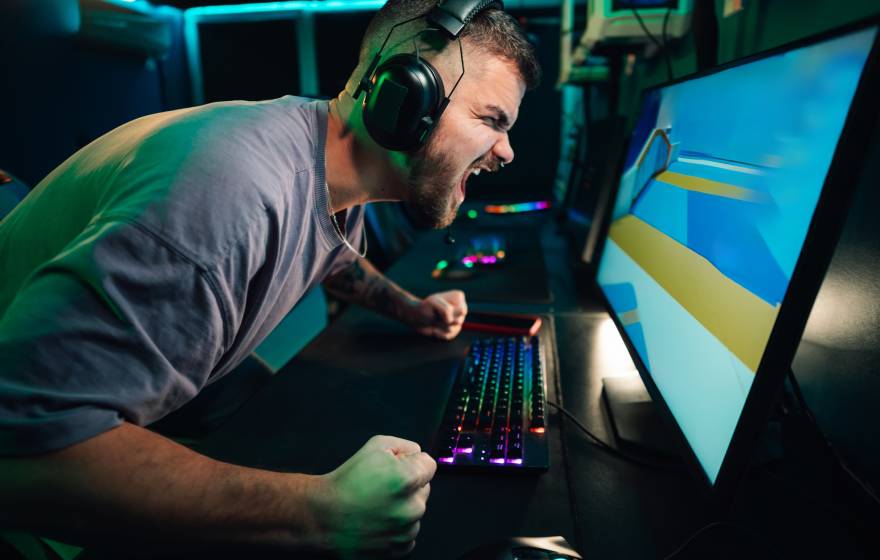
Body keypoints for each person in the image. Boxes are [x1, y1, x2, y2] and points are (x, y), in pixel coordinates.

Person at [0, 0, 540, 556]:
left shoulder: (324, 160)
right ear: (404, 98)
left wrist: (411, 308)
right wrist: (321, 514)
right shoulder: (228, 197)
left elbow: (334, 254)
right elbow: (22, 457)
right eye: (492, 120)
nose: (507, 152)